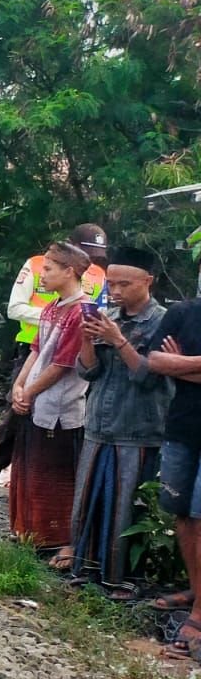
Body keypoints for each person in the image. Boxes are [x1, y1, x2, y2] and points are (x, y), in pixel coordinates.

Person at [0, 223, 109, 503]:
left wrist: (70, 325)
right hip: (32, 353)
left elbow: (101, 315)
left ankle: (54, 495)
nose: (89, 258)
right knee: (15, 416)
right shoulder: (37, 266)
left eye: (94, 254)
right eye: (84, 251)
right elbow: (15, 308)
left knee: (63, 425)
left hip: (72, 362)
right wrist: (55, 319)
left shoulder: (98, 276)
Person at [65, 247, 170, 594]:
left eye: (125, 284)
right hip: (98, 423)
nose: (116, 291)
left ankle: (122, 579)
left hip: (137, 428)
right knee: (88, 501)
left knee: (127, 507)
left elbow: (148, 376)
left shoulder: (163, 322)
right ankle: (86, 570)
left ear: (148, 281)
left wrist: (118, 340)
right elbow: (88, 371)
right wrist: (87, 340)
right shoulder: (107, 313)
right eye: (111, 283)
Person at [8, 241, 92, 552]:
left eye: (48, 269)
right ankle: (30, 532)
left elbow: (62, 364)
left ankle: (61, 541)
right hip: (36, 401)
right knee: (30, 468)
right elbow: (36, 350)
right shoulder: (52, 308)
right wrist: (19, 386)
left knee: (57, 477)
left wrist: (27, 391)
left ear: (69, 272)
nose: (41, 275)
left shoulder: (80, 312)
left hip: (61, 408)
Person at [141, 279, 201, 655]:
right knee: (181, 514)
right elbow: (154, 361)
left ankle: (200, 610)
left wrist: (179, 365)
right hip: (182, 429)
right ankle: (197, 586)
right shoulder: (183, 312)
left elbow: (169, 366)